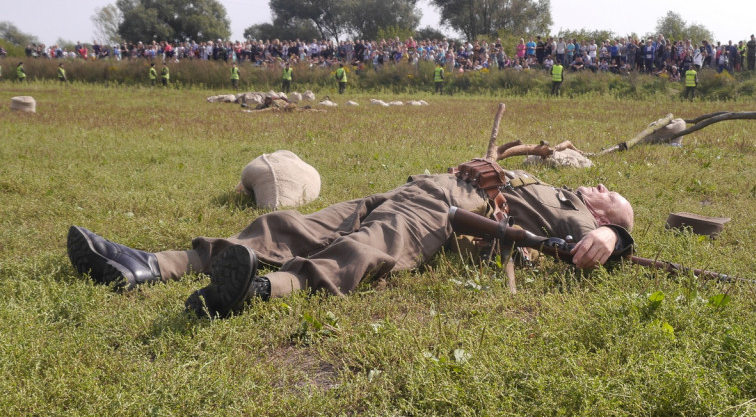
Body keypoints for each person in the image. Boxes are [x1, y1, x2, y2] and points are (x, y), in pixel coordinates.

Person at [67, 168, 635, 319]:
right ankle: (148, 265)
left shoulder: (584, 220)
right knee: (294, 225)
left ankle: (261, 291)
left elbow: (607, 250)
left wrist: (614, 233)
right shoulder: (552, 184)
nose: (600, 188)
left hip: (456, 213)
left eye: (610, 194)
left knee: (371, 245)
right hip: (420, 188)